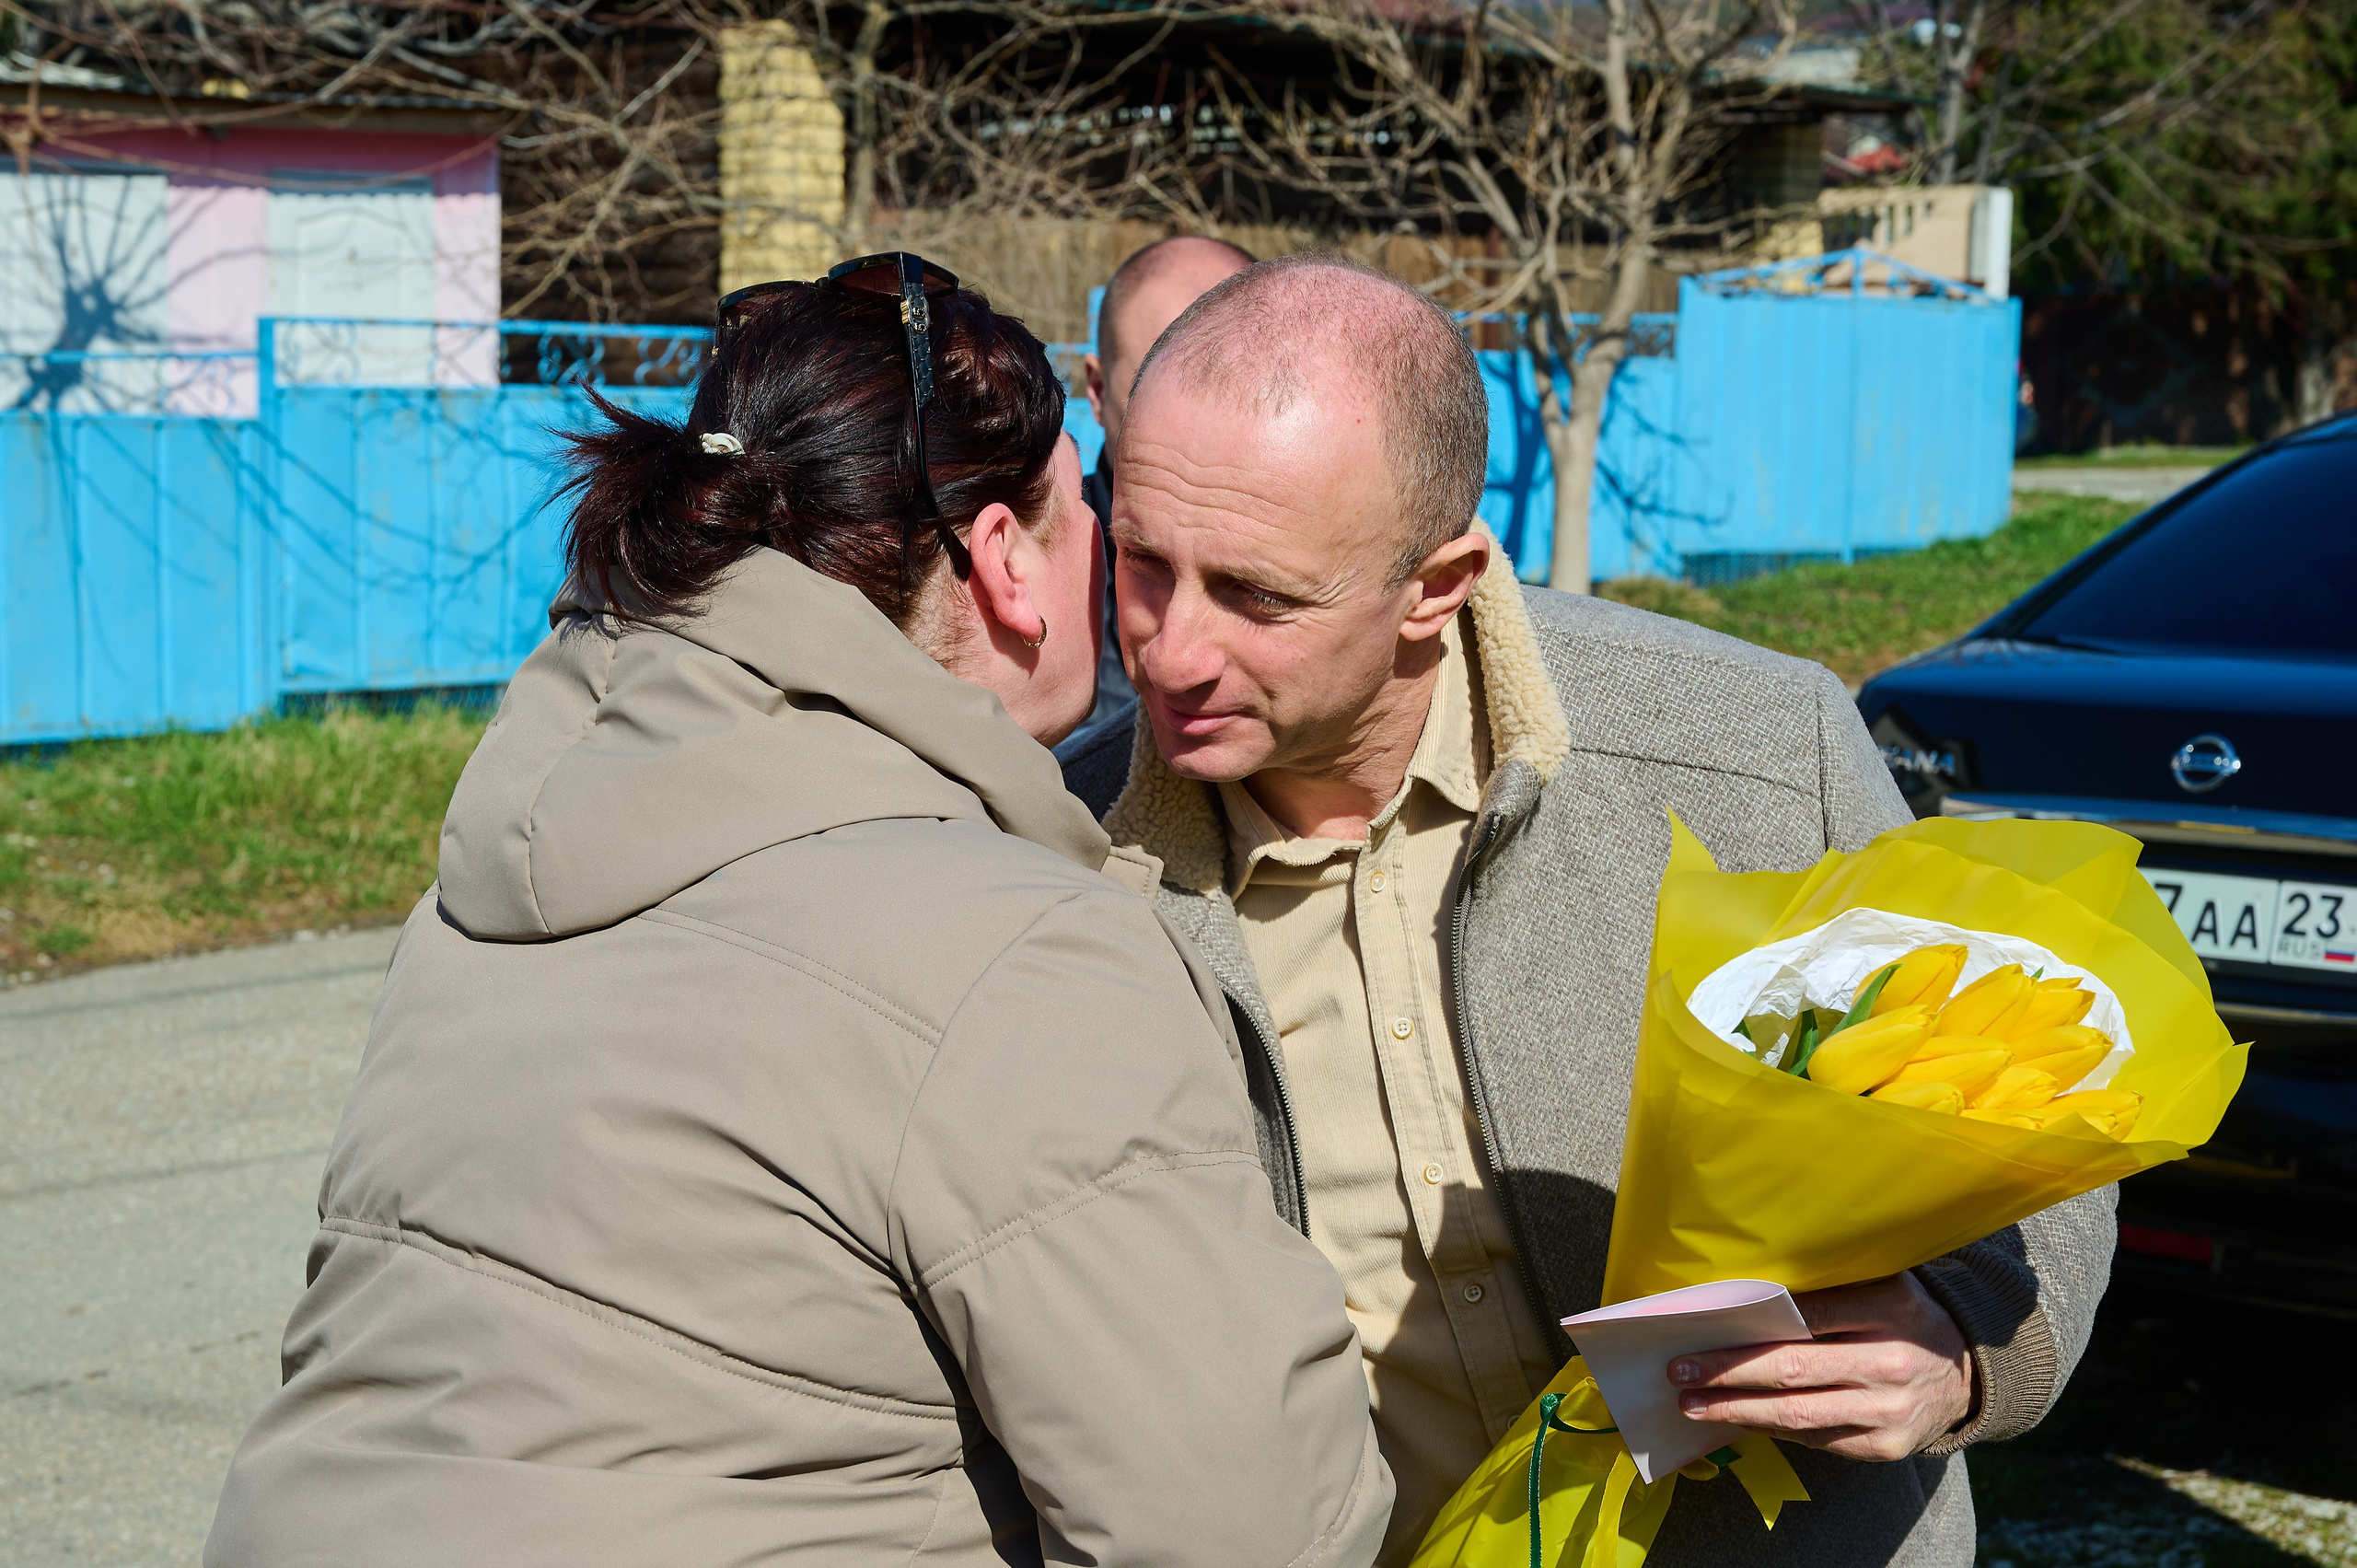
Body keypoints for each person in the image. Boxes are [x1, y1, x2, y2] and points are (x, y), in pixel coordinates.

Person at [206, 255, 1391, 1568]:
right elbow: (1253, 1527)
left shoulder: (487, 883)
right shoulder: (1018, 955)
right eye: (1091, 514)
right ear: (1006, 560)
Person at [1058, 253, 2115, 1566]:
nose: (1169, 647)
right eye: (1142, 560)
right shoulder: (1059, 854)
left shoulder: (1754, 751)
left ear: (1437, 584)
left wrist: (1964, 1342)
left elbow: (2039, 1111)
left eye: (1256, 594)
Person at [1066, 235, 1256, 742]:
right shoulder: (1020, 572)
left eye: (1242, 392)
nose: (1200, 440)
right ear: (1097, 390)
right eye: (1153, 393)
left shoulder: (1345, 566)